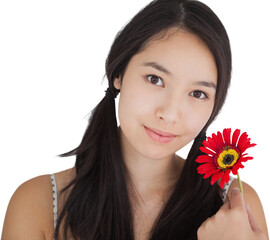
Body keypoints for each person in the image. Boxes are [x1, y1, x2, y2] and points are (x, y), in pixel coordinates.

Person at [1, 0, 268, 239]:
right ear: (119, 74)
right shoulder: (38, 204)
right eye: (155, 79)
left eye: (198, 93)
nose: (170, 113)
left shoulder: (236, 209)